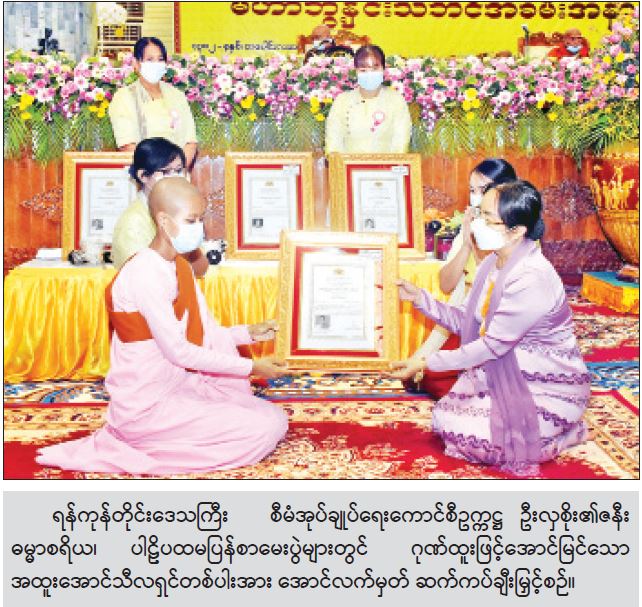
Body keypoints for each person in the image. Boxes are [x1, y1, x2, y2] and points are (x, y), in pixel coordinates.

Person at [36, 177, 288, 475]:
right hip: (147, 405)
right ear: (164, 221)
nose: (200, 228)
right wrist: (253, 367)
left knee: (273, 417)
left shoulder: (179, 266)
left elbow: (202, 334)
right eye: (191, 220)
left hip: (178, 386)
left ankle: (177, 437)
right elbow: (179, 351)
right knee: (263, 429)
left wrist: (249, 332)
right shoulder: (145, 273)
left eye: (201, 219)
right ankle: (146, 450)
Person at [392, 180, 590, 476]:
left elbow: (491, 345)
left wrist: (424, 362)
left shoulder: (531, 277)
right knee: (445, 420)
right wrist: (419, 299)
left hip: (544, 384)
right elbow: (466, 321)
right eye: (479, 214)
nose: (477, 225)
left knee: (487, 444)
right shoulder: (492, 264)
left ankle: (564, 435)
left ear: (517, 231)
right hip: (504, 374)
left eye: (487, 219)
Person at [406, 159, 517, 399]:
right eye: (472, 190)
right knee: (429, 376)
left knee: (455, 381)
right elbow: (446, 285)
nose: (476, 197)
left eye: (483, 190)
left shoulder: (517, 230)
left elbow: (496, 282)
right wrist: (466, 243)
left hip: (503, 322)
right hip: (469, 317)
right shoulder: (472, 227)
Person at [111, 137, 209, 276]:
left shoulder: (181, 210)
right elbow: (140, 276)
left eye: (178, 171)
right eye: (166, 172)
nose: (174, 177)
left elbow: (200, 269)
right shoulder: (132, 221)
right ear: (143, 176)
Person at [108, 36, 198, 168]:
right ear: (136, 63)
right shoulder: (124, 97)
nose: (156, 64)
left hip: (177, 173)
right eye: (150, 59)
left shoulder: (177, 95)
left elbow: (190, 142)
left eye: (160, 59)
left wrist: (176, 170)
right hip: (144, 173)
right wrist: (155, 173)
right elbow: (127, 145)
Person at [325, 44, 411, 154]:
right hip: (348, 164)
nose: (369, 73)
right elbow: (333, 144)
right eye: (363, 70)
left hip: (387, 164)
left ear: (384, 69)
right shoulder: (342, 101)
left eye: (375, 68)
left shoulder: (396, 100)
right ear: (356, 71)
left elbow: (401, 145)